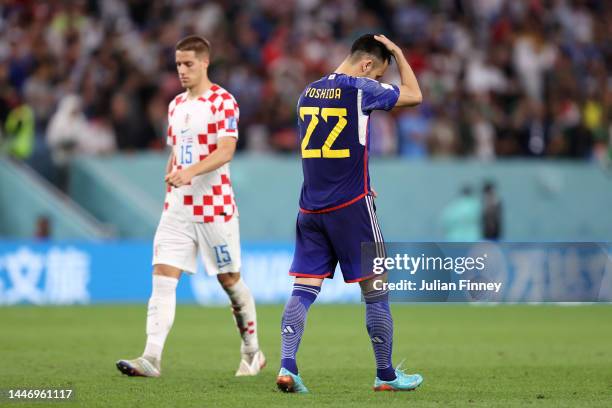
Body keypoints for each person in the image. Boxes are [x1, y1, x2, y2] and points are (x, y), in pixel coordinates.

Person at [276, 34, 423, 393]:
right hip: (352, 208)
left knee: (303, 290)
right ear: (368, 65)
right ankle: (385, 374)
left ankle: (287, 367)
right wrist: (400, 55)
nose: (377, 83)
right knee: (377, 291)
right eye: (377, 75)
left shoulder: (307, 92)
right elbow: (415, 95)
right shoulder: (360, 89)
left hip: (310, 208)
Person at [116, 35, 264, 378]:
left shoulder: (223, 102)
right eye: (178, 64)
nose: (182, 70)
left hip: (215, 208)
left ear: (205, 63)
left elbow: (226, 150)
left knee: (230, 282)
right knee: (163, 277)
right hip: (178, 209)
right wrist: (171, 171)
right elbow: (178, 148)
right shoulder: (175, 105)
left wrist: (190, 173)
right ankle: (151, 357)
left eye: (188, 64)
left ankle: (252, 352)